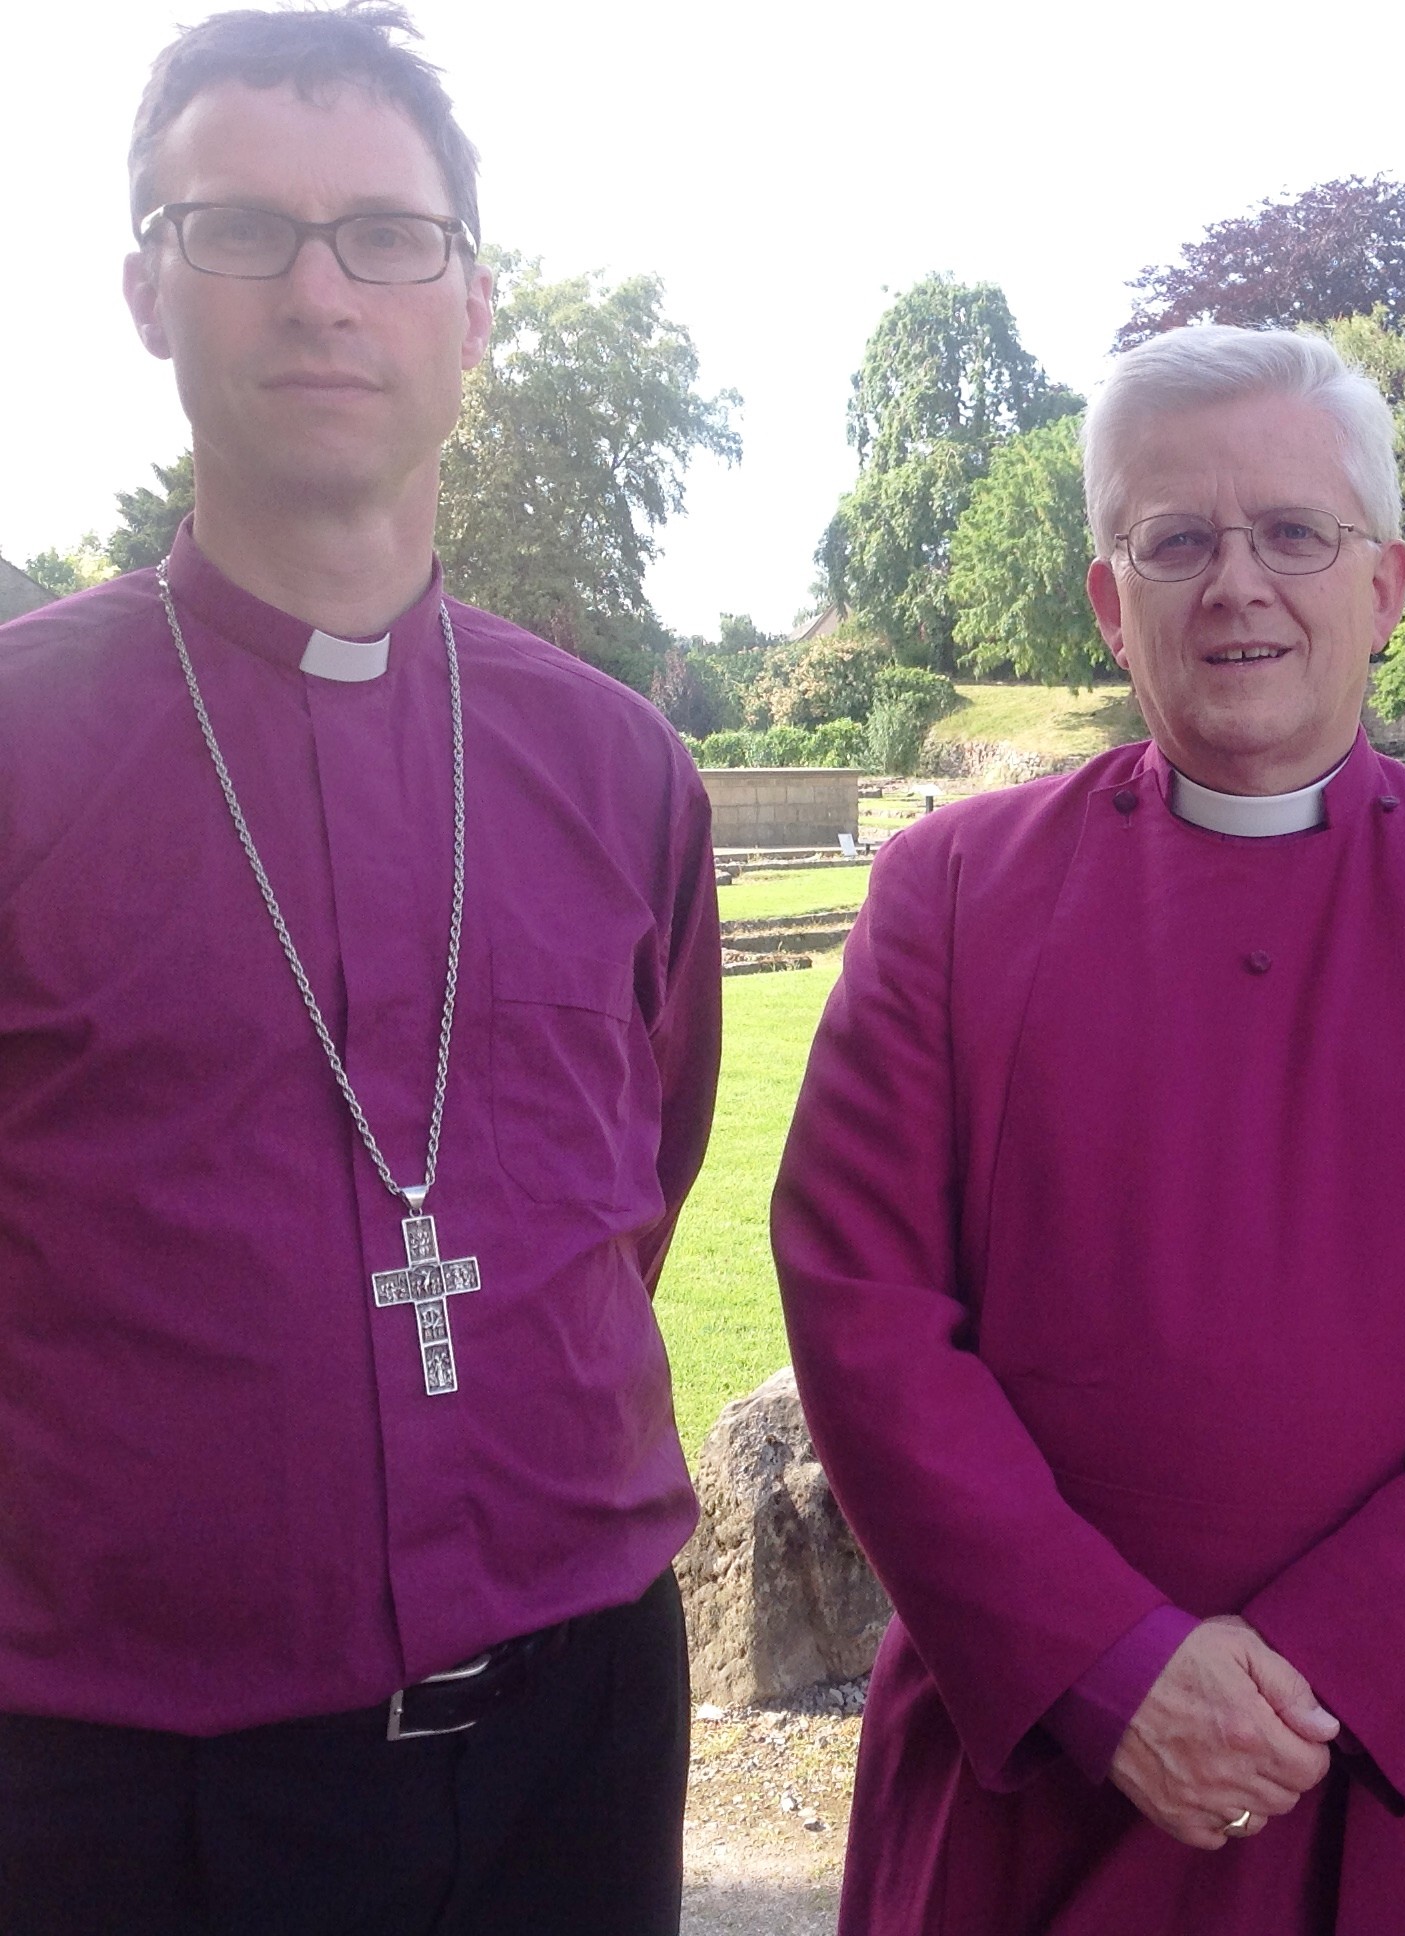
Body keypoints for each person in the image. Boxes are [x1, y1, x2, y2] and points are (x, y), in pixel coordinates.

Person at [773, 324, 1405, 1935]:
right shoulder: (953, 897)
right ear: (1108, 600)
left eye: (1293, 533)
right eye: (1176, 541)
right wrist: (1107, 1667)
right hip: (1032, 1764)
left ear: (1387, 587)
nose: (1237, 585)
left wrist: (1340, 1664)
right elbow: (863, 1308)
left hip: (1386, 1762)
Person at [0, 8, 721, 1932]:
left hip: (581, 1727)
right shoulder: (17, 750)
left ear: (473, 305)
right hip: (123, 1772)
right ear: (145, 290)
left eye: (387, 237)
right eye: (241, 228)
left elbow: (639, 1186)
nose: (320, 290)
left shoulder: (617, 766)